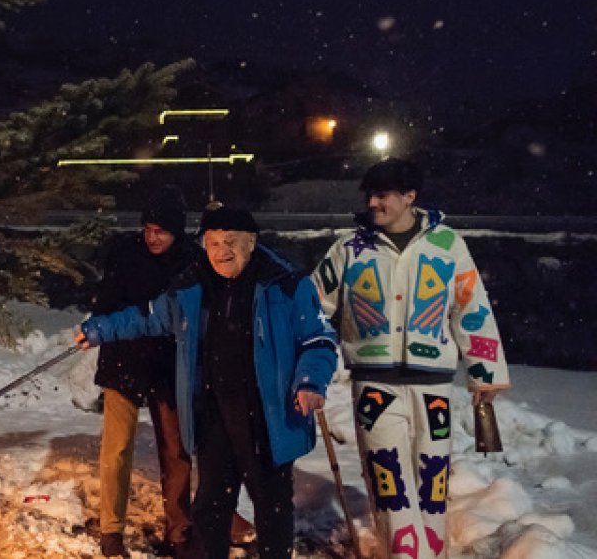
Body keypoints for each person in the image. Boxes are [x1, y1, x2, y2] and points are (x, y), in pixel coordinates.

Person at [76, 206, 338, 559]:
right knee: (211, 504)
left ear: (252, 242)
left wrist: (310, 381)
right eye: (212, 242)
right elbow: (149, 317)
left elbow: (318, 339)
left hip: (267, 414)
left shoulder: (287, 286)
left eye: (230, 242)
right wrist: (99, 329)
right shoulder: (192, 286)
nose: (220, 251)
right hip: (214, 412)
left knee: (271, 503)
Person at [314, 158, 509, 559]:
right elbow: (315, 306)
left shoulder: (448, 245)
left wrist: (484, 373)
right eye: (369, 195)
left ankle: (431, 552)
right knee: (388, 480)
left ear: (410, 197)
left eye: (382, 195)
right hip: (374, 384)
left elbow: (471, 308)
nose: (373, 203)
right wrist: (311, 360)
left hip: (434, 384)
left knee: (433, 482)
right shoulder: (348, 249)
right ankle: (405, 555)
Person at [90, 185, 197, 557]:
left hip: (168, 367)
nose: (153, 237)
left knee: (176, 448)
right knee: (116, 448)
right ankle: (111, 529)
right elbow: (105, 304)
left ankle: (179, 528)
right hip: (124, 361)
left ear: (177, 232)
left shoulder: (190, 261)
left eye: (161, 231)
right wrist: (101, 327)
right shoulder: (124, 254)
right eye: (148, 229)